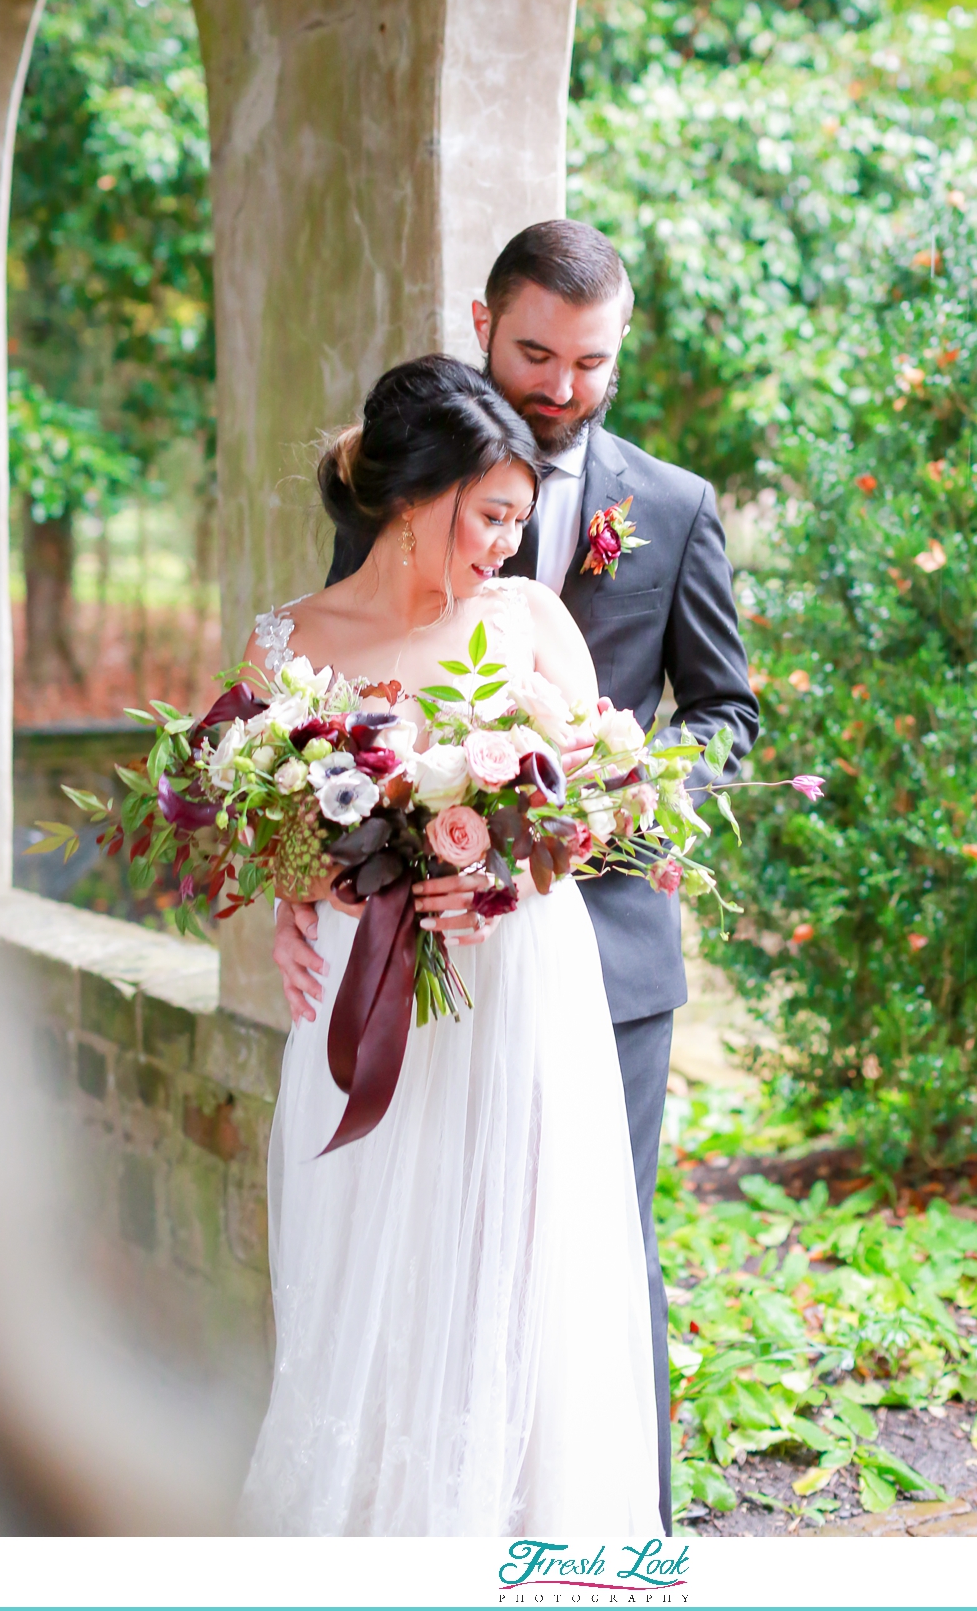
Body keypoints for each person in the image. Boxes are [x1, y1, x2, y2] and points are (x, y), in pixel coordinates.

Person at [274, 221, 759, 1533]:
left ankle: (601, 1541)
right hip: (410, 966)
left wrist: (587, 795)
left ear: (618, 354)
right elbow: (317, 739)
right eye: (537, 352)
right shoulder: (401, 496)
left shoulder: (670, 506)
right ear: (484, 322)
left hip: (596, 953)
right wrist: (308, 880)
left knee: (592, 1272)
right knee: (419, 1264)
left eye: (589, 362)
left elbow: (723, 714)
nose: (562, 384)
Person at [239, 356, 661, 1535]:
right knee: (376, 1283)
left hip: (515, 994)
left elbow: (601, 809)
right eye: (490, 518)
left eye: (520, 521)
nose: (504, 548)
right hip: (365, 1007)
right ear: (419, 495)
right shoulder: (290, 639)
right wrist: (291, 896)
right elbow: (269, 823)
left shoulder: (525, 620)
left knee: (515, 1283)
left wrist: (507, 878)